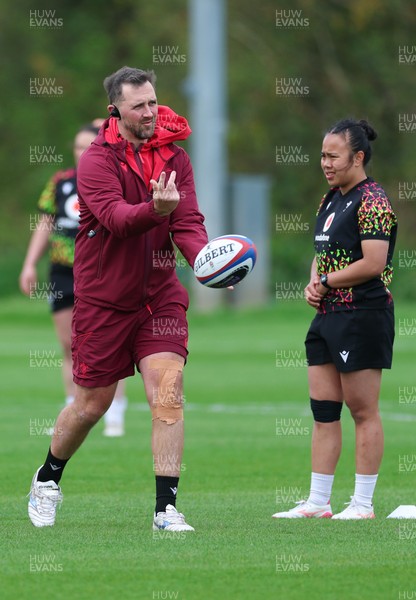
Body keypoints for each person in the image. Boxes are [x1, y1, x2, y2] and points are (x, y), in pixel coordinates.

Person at [28, 66, 209, 531]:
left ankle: (165, 509)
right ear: (116, 110)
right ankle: (48, 478)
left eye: (153, 101)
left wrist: (207, 260)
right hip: (104, 300)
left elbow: (186, 221)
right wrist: (156, 210)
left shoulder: (176, 158)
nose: (150, 112)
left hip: (160, 297)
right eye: (139, 106)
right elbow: (116, 218)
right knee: (92, 405)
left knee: (167, 394)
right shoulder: (95, 161)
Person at [273, 118, 397, 520]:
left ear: (357, 157)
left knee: (363, 411)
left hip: (362, 314)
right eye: (322, 155)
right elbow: (323, 251)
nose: (325, 163)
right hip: (328, 315)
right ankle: (317, 501)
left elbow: (373, 262)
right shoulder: (330, 198)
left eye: (333, 156)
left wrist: (325, 281)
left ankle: (362, 504)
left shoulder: (373, 199)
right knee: (324, 412)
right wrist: (315, 280)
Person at [19, 125, 128, 437]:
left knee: (107, 344)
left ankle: (115, 413)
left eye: (89, 146)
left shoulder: (115, 179)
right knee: (69, 345)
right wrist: (29, 264)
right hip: (63, 272)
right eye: (78, 147)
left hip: (100, 269)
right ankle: (72, 410)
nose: (83, 153)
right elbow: (44, 223)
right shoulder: (61, 183)